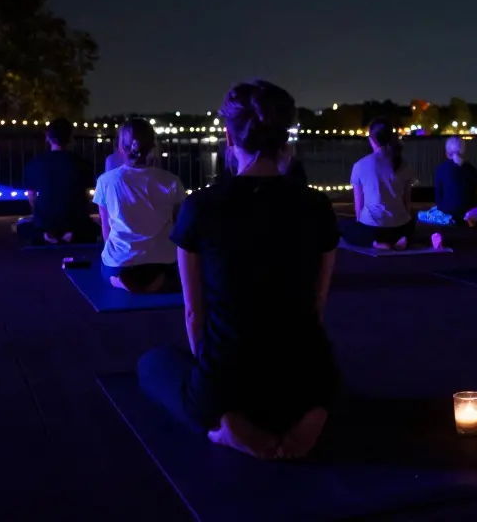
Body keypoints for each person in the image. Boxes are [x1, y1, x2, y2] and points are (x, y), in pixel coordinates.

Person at [137, 79, 340, 460]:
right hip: (307, 371)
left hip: (230, 373)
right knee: (313, 373)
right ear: (284, 138)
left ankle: (225, 421)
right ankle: (313, 413)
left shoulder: (202, 207)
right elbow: (317, 302)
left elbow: (194, 312)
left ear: (229, 138)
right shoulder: (316, 206)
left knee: (153, 364)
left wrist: (210, 378)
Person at [93, 119, 186, 293]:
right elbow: (179, 226)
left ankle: (120, 281)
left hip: (121, 262)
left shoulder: (106, 181)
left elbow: (106, 229)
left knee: (107, 273)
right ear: (154, 145)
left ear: (121, 147)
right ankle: (158, 282)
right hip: (163, 261)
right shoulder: (171, 181)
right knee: (176, 275)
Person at [17, 118, 99, 246]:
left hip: (45, 223)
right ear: (70, 138)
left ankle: (46, 235)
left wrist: (39, 215)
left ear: (47, 138)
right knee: (95, 228)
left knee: (22, 227)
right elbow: (87, 196)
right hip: (75, 222)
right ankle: (72, 234)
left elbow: (31, 196)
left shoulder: (34, 163)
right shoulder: (82, 163)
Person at [341, 118, 415, 250]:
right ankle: (403, 238)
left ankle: (374, 243)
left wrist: (361, 227)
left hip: (373, 228)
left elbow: (359, 206)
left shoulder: (360, 165)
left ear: (371, 139)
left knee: (341, 226)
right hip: (400, 226)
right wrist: (406, 226)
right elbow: (406, 203)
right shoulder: (404, 164)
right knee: (410, 223)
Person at [418, 136, 477, 226]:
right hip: (467, 212)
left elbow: (438, 198)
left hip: (446, 211)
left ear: (447, 153)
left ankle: (448, 219)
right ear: (464, 152)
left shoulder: (440, 169)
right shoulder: (472, 170)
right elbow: (473, 198)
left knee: (422, 214)